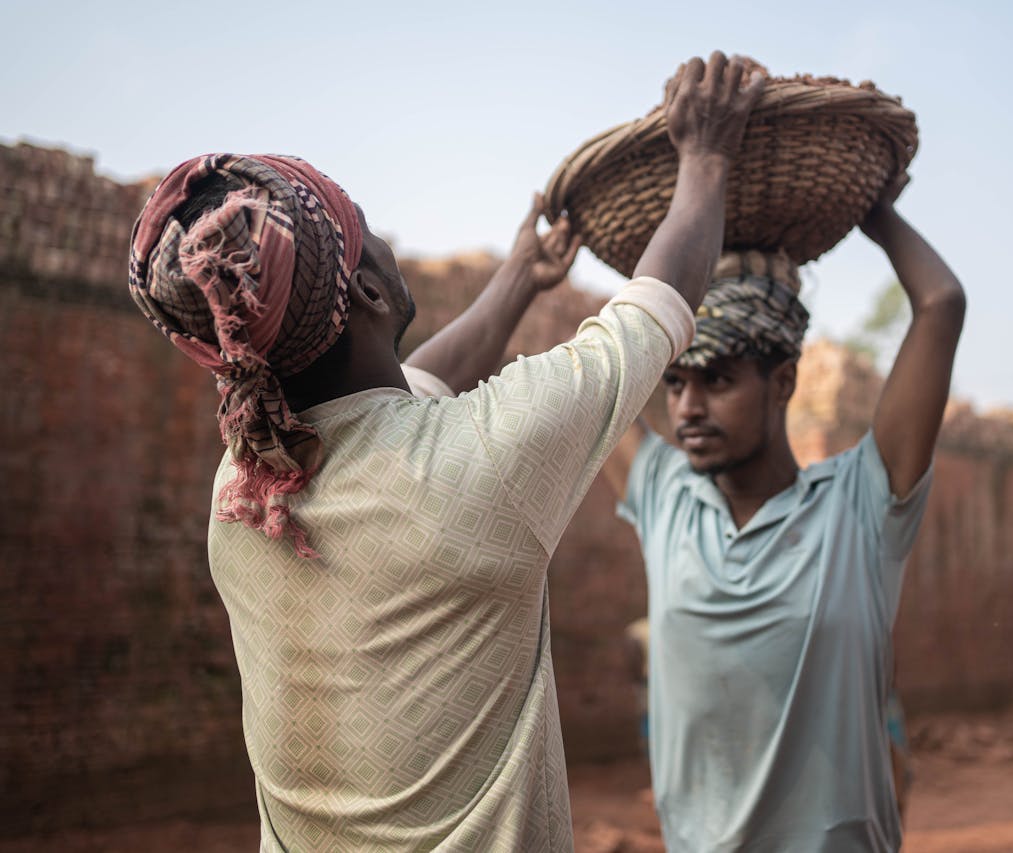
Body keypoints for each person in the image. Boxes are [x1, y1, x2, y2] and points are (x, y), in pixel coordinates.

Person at [126, 53, 765, 852]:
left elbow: (407, 387)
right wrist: (706, 153)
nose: (387, 238)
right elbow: (659, 303)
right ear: (364, 292)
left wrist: (519, 279)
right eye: (367, 226)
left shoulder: (247, 489)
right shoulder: (479, 462)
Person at [603, 173, 966, 852]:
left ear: (785, 383)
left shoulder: (861, 505)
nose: (687, 408)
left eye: (718, 379)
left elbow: (940, 303)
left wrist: (872, 208)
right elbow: (607, 356)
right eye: (676, 382)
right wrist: (698, 176)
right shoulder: (664, 496)